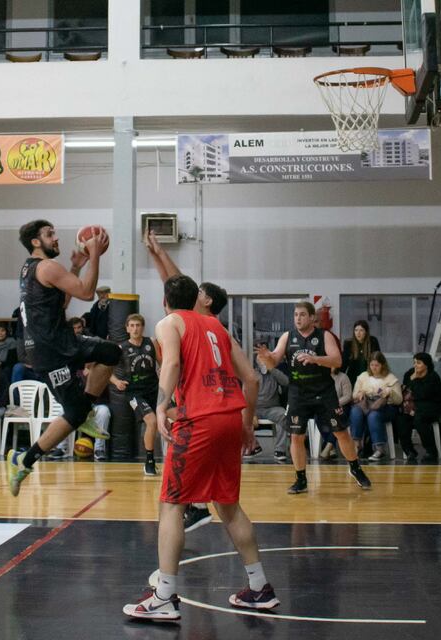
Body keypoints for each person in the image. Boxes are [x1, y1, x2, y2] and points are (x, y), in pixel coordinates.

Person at [123, 275, 277, 620]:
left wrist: (162, 405)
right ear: (196, 298)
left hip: (199, 421)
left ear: (165, 300)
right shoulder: (216, 326)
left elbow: (173, 364)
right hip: (229, 419)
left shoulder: (170, 322)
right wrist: (247, 425)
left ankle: (164, 596)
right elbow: (251, 378)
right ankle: (259, 587)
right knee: (228, 505)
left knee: (172, 504)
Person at [6, 220, 121, 496]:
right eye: (49, 234)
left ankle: (87, 408)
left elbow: (63, 300)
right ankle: (23, 459)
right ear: (36, 242)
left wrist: (77, 266)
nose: (56, 238)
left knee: (111, 352)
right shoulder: (46, 266)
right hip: (51, 350)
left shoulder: (31, 268)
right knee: (73, 414)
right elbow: (85, 292)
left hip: (61, 341)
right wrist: (94, 255)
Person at [144, 230, 239, 531]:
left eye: (200, 291)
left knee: (170, 422)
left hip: (202, 403)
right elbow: (172, 284)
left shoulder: (196, 320)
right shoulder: (204, 322)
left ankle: (194, 507)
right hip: (221, 408)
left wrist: (160, 254)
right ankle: (197, 504)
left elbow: (176, 281)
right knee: (171, 421)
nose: (195, 292)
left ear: (206, 300)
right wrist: (157, 253)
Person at [257, 301, 372, 494]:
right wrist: (266, 357)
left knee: (341, 432)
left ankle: (355, 468)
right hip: (298, 393)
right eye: (295, 315)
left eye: (302, 315)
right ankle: (300, 479)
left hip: (323, 391)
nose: (298, 318)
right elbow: (273, 361)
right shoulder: (287, 336)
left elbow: (337, 360)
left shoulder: (324, 336)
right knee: (296, 436)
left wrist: (316, 359)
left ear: (312, 318)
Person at [110, 313, 162, 476]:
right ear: (127, 328)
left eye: (138, 325)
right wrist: (116, 382)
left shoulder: (151, 342)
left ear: (142, 327)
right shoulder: (121, 348)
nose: (135, 329)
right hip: (134, 393)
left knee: (178, 416)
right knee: (151, 421)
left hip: (154, 389)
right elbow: (105, 370)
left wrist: (165, 375)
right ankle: (149, 461)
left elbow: (163, 362)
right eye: (131, 325)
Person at [350, 351, 402, 461]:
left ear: (382, 365)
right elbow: (354, 395)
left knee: (373, 415)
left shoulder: (390, 378)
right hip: (366, 403)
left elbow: (399, 400)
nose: (374, 368)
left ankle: (379, 449)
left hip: (386, 407)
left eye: (377, 365)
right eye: (372, 365)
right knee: (355, 411)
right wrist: (360, 394)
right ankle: (357, 444)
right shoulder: (363, 376)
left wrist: (390, 393)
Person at [399, 352, 441, 461]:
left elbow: (422, 394)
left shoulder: (433, 377)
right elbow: (406, 389)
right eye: (414, 362)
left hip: (433, 407)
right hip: (413, 406)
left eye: (419, 363)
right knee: (401, 419)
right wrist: (412, 379)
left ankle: (431, 451)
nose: (415, 365)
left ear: (426, 365)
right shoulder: (410, 374)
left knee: (419, 419)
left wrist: (414, 380)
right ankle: (409, 451)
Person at [254, 354, 290, 462]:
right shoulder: (253, 373)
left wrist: (272, 369)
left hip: (272, 408)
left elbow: (286, 382)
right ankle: (254, 446)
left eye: (265, 360)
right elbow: (245, 394)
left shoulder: (274, 373)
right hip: (255, 409)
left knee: (283, 415)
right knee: (240, 416)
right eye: (260, 360)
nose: (263, 363)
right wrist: (250, 413)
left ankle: (280, 450)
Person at [341, 320, 380, 386]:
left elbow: (378, 360)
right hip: (353, 377)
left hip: (369, 376)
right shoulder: (348, 343)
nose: (358, 333)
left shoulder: (373, 341)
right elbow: (344, 363)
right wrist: (339, 377)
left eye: (361, 330)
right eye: (356, 330)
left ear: (366, 332)